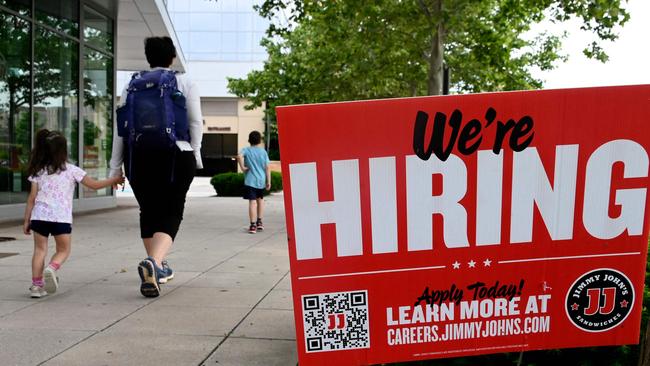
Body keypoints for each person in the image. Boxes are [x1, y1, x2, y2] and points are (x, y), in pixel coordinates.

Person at [109, 36, 203, 297]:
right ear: (172, 57)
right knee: (172, 210)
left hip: (138, 157)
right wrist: (195, 155)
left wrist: (114, 167)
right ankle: (154, 263)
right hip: (176, 154)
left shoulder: (132, 85)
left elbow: (121, 130)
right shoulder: (185, 81)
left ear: (148, 57)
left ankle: (156, 268)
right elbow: (195, 123)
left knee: (148, 211)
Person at [24, 129, 124, 298]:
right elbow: (94, 185)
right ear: (63, 151)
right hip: (60, 218)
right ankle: (52, 268)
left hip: (39, 216)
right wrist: (115, 179)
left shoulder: (39, 171)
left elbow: (32, 198)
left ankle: (36, 286)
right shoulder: (71, 170)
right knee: (63, 250)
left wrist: (27, 220)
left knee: (39, 250)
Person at [237, 130, 271, 234]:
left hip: (250, 181)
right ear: (259, 140)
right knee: (260, 201)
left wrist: (242, 167)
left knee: (252, 202)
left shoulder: (246, 150)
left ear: (249, 140)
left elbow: (239, 156)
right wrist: (268, 181)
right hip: (261, 181)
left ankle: (252, 226)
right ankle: (259, 222)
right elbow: (267, 167)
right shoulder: (263, 152)